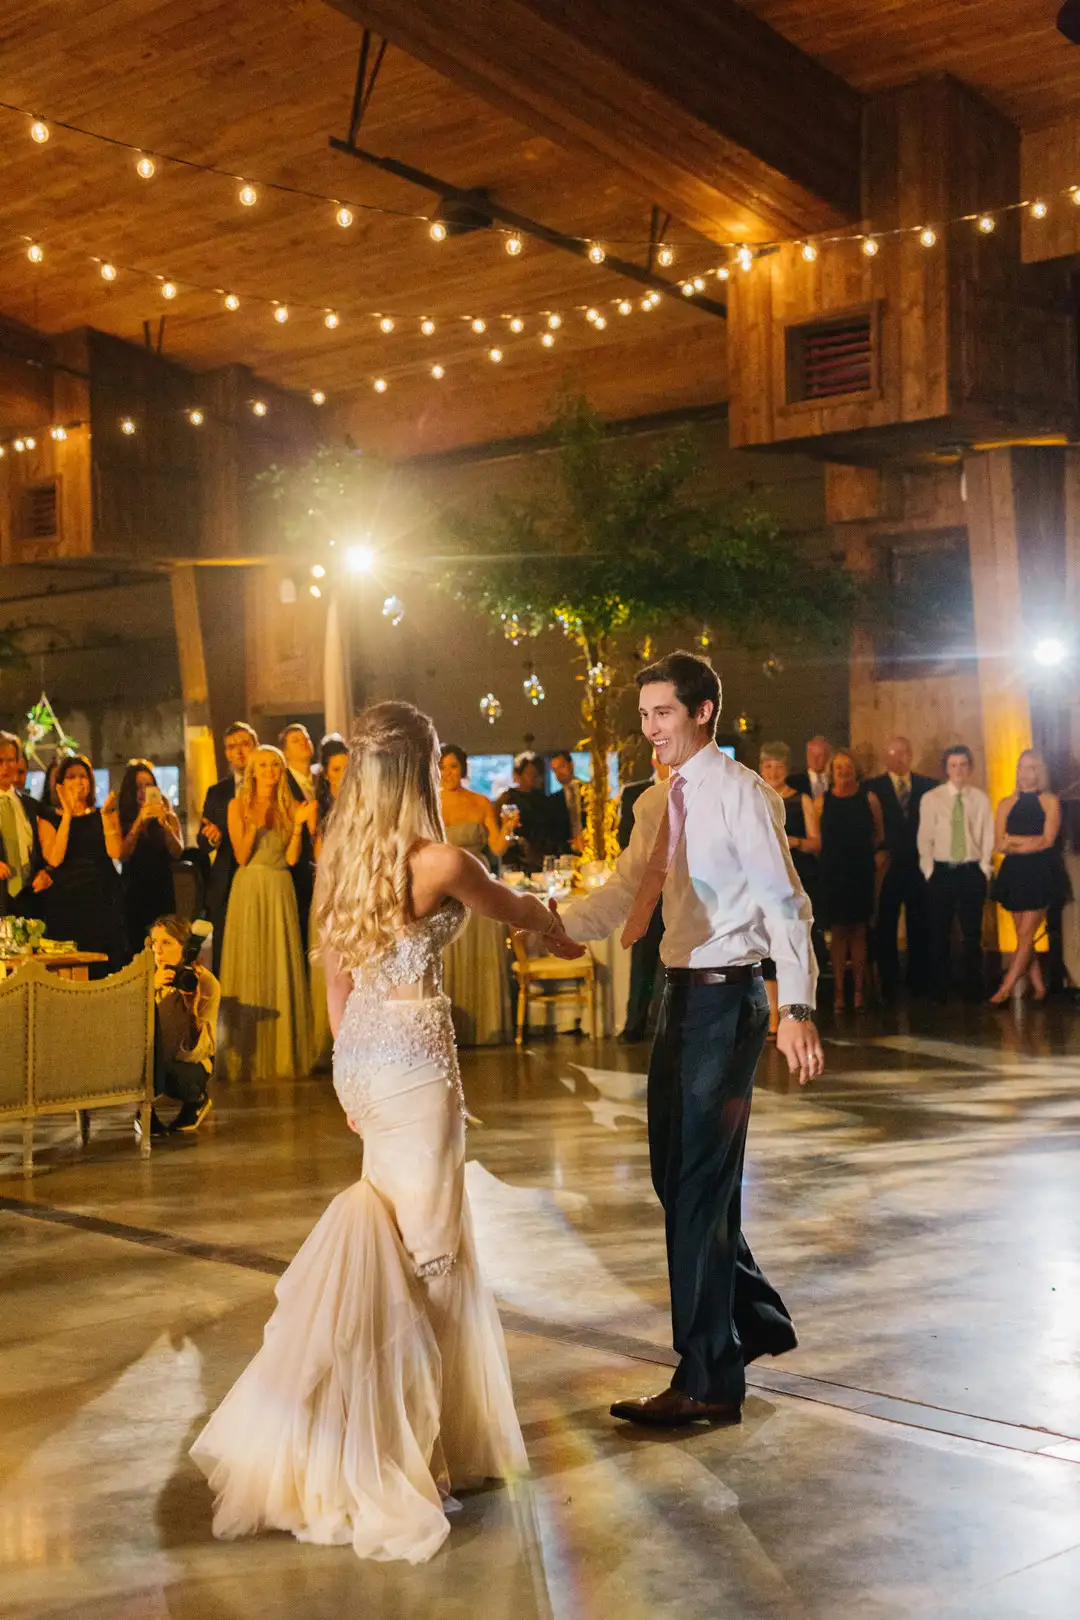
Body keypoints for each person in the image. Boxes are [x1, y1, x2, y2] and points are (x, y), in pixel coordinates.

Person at [191, 700, 583, 1561]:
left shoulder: (339, 859)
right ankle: (422, 1454)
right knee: (434, 1253)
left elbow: (334, 977)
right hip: (415, 1067)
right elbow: (516, 911)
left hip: (365, 1055)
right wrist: (560, 924)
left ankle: (400, 1432)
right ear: (419, 768)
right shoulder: (441, 860)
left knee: (398, 1238)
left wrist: (343, 1070)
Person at [558, 651, 822, 1429]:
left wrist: (796, 1009)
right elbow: (623, 892)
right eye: (644, 716)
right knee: (674, 1180)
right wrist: (550, 923)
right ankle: (757, 1319)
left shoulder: (744, 797)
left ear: (704, 711)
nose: (651, 730)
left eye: (663, 714)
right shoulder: (652, 803)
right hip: (678, 1000)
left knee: (700, 1187)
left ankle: (707, 1376)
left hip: (729, 999)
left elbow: (785, 904)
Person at [217, 745, 315, 1080]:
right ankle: (245, 1059)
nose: (270, 770)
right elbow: (242, 856)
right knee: (250, 962)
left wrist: (299, 826)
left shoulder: (291, 805)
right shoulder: (237, 805)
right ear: (252, 771)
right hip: (249, 888)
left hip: (279, 888)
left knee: (279, 963)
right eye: (263, 765)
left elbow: (291, 859)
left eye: (275, 764)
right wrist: (254, 825)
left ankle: (281, 1055)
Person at [438, 744, 515, 1045]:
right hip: (445, 882)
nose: (448, 773)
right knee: (448, 950)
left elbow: (496, 848)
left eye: (454, 767)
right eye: (443, 767)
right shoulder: (428, 802)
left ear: (463, 769)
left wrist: (507, 829)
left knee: (480, 947)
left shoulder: (480, 801)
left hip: (478, 879)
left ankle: (487, 1026)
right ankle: (451, 1029)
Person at [918, 745, 994, 1002]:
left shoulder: (979, 799)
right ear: (946, 769)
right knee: (939, 931)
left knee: (972, 934)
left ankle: (973, 988)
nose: (958, 770)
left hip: (970, 870)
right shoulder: (932, 798)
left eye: (963, 765)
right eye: (953, 765)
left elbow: (986, 834)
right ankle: (939, 988)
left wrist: (984, 868)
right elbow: (925, 837)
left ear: (970, 767)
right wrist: (929, 871)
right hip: (943, 871)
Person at [37, 754, 128, 972]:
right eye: (71, 777)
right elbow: (54, 858)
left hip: (103, 896)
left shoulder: (102, 813)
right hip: (68, 901)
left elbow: (116, 852)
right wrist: (68, 814)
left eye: (83, 776)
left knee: (107, 964)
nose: (79, 782)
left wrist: (107, 818)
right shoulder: (49, 818)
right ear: (59, 784)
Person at [865, 737, 936, 1001]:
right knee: (886, 923)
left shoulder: (928, 786)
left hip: (919, 864)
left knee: (920, 921)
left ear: (911, 755)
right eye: (893, 753)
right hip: (889, 864)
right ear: (885, 757)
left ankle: (920, 980)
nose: (899, 758)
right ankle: (888, 981)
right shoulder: (872, 788)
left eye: (904, 753)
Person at [989, 749, 1063, 1004]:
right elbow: (998, 843)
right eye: (1021, 767)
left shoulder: (1049, 801)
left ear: (1039, 772)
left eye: (1031, 768)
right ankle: (1039, 986)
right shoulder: (1006, 803)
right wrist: (1021, 843)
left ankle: (1005, 988)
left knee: (1025, 934)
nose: (1025, 773)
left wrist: (1014, 842)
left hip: (1040, 871)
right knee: (1022, 933)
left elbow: (1046, 841)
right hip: (1014, 872)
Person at [757, 742, 821, 1032]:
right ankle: (772, 1015)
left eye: (779, 766)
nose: (773, 772)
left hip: (796, 874)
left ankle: (795, 1012)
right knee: (767, 946)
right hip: (763, 877)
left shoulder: (801, 800)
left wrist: (792, 841)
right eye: (768, 766)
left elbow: (815, 842)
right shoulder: (753, 797)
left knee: (795, 941)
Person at [141, 914, 219, 1139]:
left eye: (166, 943)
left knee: (156, 1067)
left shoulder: (204, 982)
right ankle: (146, 1111)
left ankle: (196, 1100)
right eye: (154, 943)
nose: (158, 950)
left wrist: (190, 1009)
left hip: (186, 1066)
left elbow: (203, 1050)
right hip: (155, 1059)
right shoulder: (148, 979)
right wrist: (148, 990)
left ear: (185, 947)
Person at [818, 750, 884, 1013]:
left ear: (855, 770)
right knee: (837, 933)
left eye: (847, 767)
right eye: (838, 767)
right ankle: (838, 994)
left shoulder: (869, 799)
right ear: (831, 772)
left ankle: (857, 992)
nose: (843, 771)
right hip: (833, 872)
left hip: (860, 871)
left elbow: (879, 834)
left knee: (858, 931)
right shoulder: (822, 802)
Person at [616, 752, 670, 1043]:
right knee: (644, 957)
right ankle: (635, 1024)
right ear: (654, 761)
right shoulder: (634, 792)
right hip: (648, 887)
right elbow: (625, 839)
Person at [199, 722, 258, 977]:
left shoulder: (272, 780)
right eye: (232, 747)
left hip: (260, 872)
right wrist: (212, 838)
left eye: (244, 745)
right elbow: (202, 842)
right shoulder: (217, 792)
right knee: (227, 956)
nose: (239, 752)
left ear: (255, 746)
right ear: (226, 753)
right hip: (227, 881)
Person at [310, 735, 349, 1069]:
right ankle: (340, 1045)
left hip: (361, 886)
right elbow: (319, 857)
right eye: (337, 768)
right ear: (327, 774)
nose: (344, 773)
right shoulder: (321, 807)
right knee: (336, 971)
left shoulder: (367, 804)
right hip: (333, 887)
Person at [118, 759, 184, 955]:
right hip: (134, 889)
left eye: (148, 786)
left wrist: (165, 824)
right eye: (138, 787)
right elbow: (122, 854)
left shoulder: (166, 812)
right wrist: (139, 822)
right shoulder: (123, 817)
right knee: (137, 947)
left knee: (165, 944)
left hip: (162, 888)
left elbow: (178, 850)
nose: (143, 792)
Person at [0, 730, 51, 918]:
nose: (5, 767)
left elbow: (44, 846)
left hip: (29, 900)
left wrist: (46, 872)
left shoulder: (29, 804)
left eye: (10, 760)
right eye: (0, 761)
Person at [280, 723, 317, 957]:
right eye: (295, 740)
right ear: (285, 752)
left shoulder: (321, 779)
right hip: (297, 865)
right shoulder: (283, 783)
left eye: (305, 737)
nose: (303, 741)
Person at [494, 752, 553, 874]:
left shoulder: (542, 799)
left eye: (535, 774)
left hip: (538, 856)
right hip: (513, 856)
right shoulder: (507, 798)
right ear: (518, 775)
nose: (532, 777)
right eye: (528, 773)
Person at [548, 749, 586, 855]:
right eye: (555, 770)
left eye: (561, 767)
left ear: (571, 764)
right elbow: (553, 833)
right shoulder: (553, 800)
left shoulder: (589, 791)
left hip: (592, 848)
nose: (559, 773)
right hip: (567, 854)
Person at [788, 735, 832, 804]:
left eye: (819, 755)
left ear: (828, 756)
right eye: (811, 754)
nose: (815, 759)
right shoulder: (792, 782)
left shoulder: (836, 780)